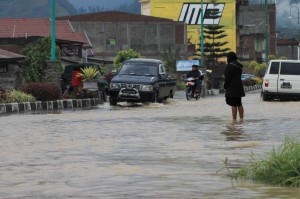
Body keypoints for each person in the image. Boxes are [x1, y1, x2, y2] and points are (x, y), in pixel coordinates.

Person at [224, 51, 245, 121]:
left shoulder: (230, 66)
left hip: (232, 87)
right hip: (239, 86)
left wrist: (225, 86)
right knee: (239, 103)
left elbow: (227, 77)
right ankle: (242, 119)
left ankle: (234, 120)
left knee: (233, 104)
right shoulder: (239, 65)